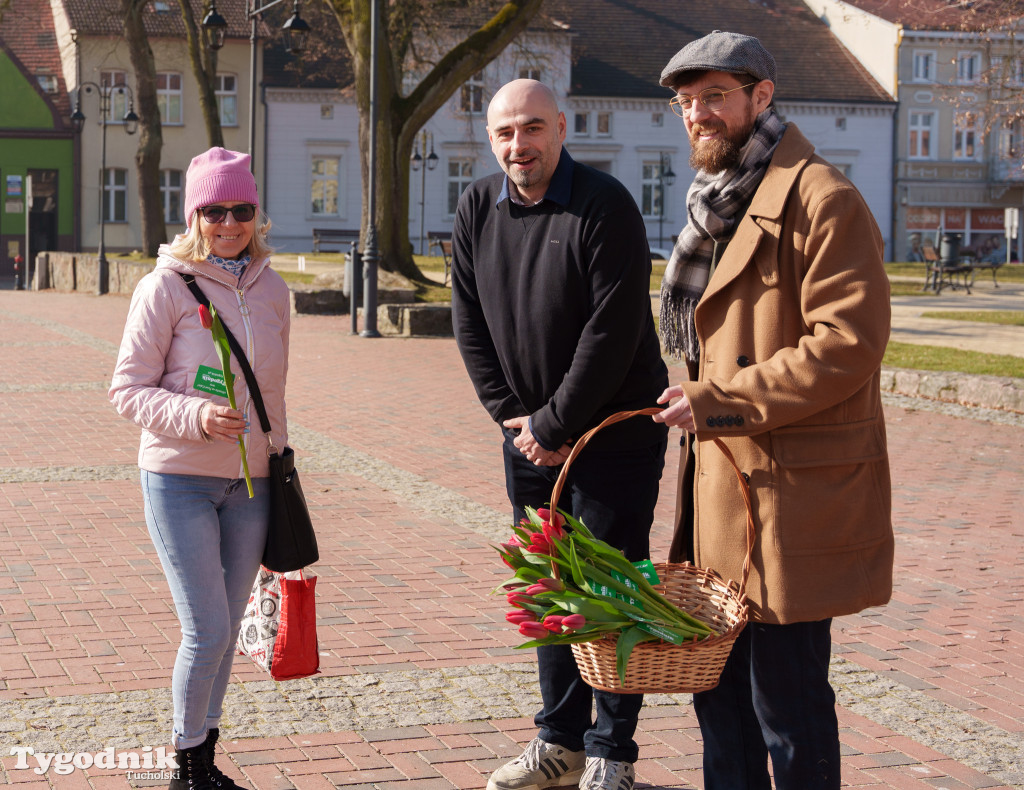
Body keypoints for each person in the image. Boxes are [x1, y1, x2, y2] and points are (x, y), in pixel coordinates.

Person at [651, 32, 894, 790]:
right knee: (718, 702)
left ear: (762, 96)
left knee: (786, 706)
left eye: (715, 96)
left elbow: (846, 346)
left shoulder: (823, 198)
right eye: (687, 103)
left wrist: (719, 401)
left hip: (787, 497)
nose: (699, 116)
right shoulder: (714, 204)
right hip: (720, 494)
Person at [451, 79, 669, 790]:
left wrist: (555, 424)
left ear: (562, 128)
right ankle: (560, 741)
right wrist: (512, 417)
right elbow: (468, 318)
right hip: (528, 439)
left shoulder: (603, 205)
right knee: (550, 589)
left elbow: (614, 332)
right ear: (491, 139)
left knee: (611, 589)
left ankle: (613, 752)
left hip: (612, 434)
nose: (521, 144)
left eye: (534, 128)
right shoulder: (477, 206)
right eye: (507, 132)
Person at [110, 147, 291, 790]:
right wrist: (195, 416)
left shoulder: (274, 289)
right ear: (194, 215)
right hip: (178, 478)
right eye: (214, 210)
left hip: (252, 486)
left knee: (230, 623)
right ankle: (187, 765)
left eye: (241, 209)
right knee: (208, 628)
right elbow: (127, 389)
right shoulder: (164, 286)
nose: (229, 223)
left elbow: (275, 395)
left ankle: (206, 757)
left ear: (255, 212)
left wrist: (282, 472)